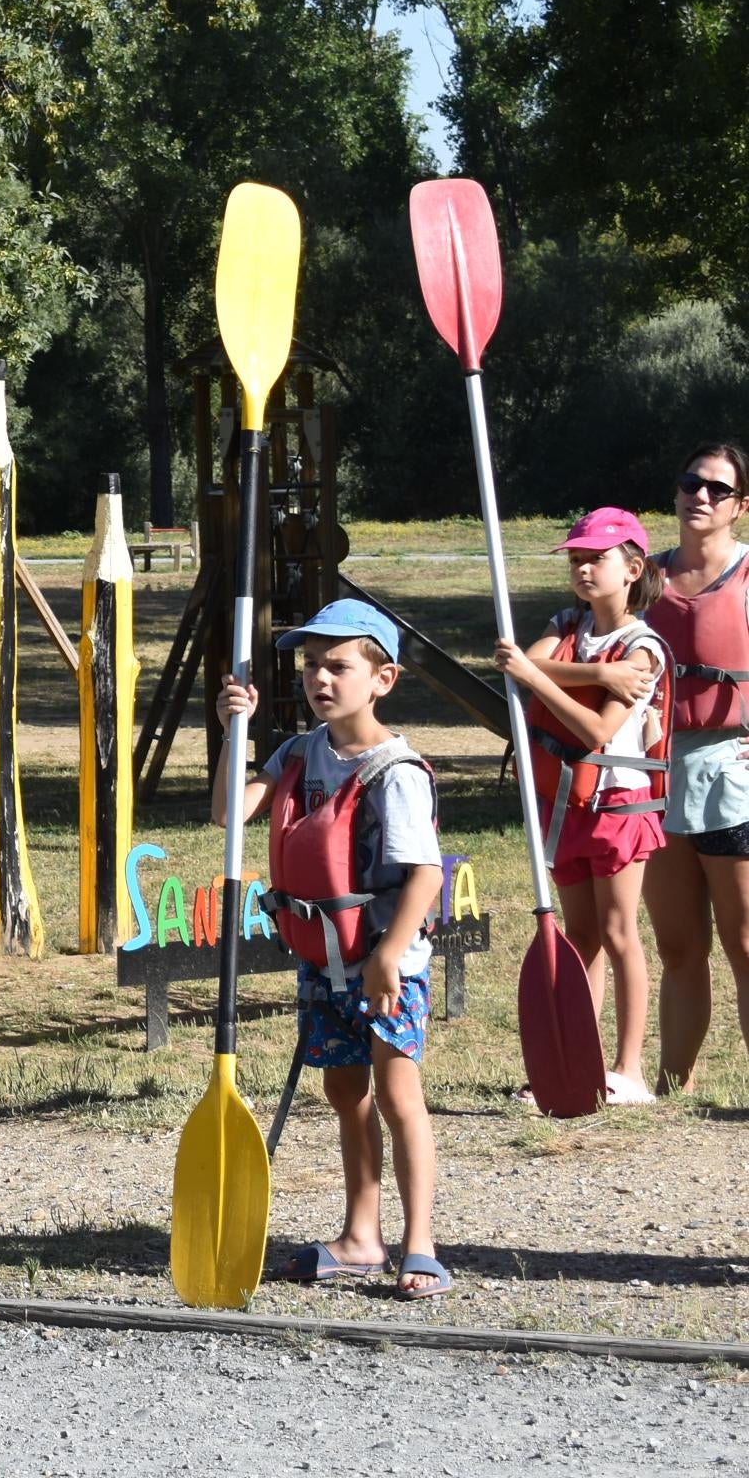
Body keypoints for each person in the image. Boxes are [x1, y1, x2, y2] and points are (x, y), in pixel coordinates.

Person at [221, 599, 447, 1300]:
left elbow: (426, 873)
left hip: (388, 963)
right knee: (345, 1091)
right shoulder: (297, 752)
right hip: (324, 960)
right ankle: (360, 1236)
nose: (320, 676)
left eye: (338, 665)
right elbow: (231, 812)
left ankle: (421, 1245)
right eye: (311, 664)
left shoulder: (395, 770)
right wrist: (238, 729)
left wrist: (387, 957)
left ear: (381, 679)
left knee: (398, 1093)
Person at [495, 507, 667, 1102]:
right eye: (575, 558)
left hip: (620, 803)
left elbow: (596, 728)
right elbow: (522, 662)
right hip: (565, 804)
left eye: (595, 557)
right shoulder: (568, 621)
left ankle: (631, 1070)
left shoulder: (644, 648)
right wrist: (594, 670)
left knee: (621, 932)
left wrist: (540, 675)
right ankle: (579, 1063)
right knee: (580, 936)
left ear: (633, 567)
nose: (582, 567)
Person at [642, 443, 749, 1091]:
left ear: (741, 505)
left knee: (745, 946)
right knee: (680, 949)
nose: (699, 496)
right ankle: (669, 1089)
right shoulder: (643, 577)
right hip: (655, 779)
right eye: (690, 483)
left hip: (734, 777)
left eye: (716, 489)